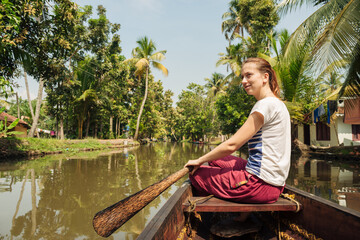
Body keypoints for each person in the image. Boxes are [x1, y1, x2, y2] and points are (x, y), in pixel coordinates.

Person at [184, 57, 291, 204]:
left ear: (265, 77)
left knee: (196, 175)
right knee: (216, 160)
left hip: (259, 185)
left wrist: (198, 161)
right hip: (275, 185)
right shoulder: (278, 104)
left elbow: (231, 145)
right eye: (242, 77)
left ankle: (232, 213)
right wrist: (205, 159)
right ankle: (241, 210)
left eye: (249, 75)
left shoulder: (264, 106)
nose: (243, 81)